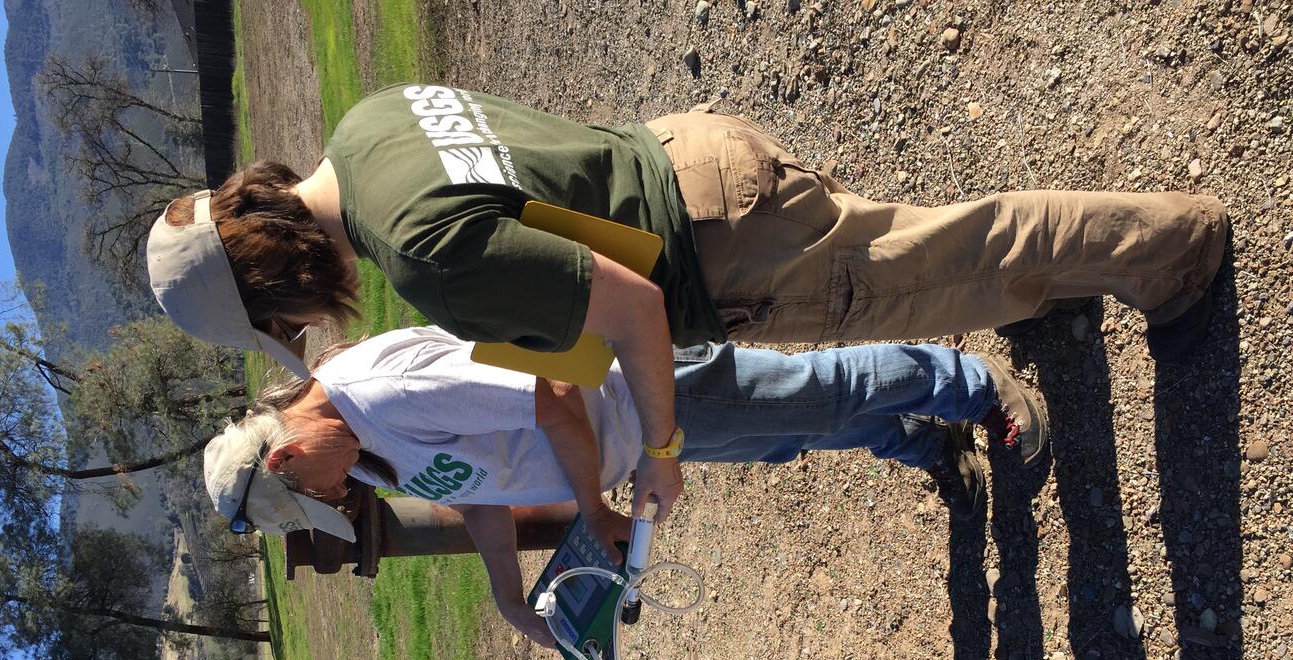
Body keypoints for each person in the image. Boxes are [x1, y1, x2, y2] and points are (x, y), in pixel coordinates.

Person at [150, 83, 1227, 524]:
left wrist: (658, 445)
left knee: (955, 258)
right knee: (941, 251)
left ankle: (1170, 251)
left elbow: (626, 308)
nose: (301, 327)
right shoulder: (368, 124)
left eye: (278, 318)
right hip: (687, 159)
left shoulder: (417, 253)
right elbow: (555, 255)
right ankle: (1073, 288)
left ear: (271, 273)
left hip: (719, 253)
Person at [202, 326, 1045, 646]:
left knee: (813, 394)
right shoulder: (366, 449)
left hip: (635, 397)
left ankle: (974, 386)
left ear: (284, 457)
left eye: (314, 490)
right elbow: (478, 491)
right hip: (632, 446)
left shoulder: (383, 396)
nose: (335, 497)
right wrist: (506, 599)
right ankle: (923, 448)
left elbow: (555, 392)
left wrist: (597, 510)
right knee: (787, 437)